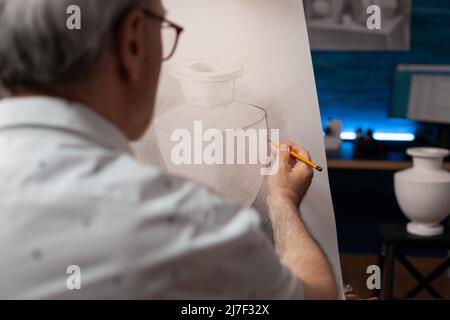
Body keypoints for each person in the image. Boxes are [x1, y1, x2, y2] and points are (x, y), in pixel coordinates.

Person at [0, 0, 337, 299]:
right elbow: (314, 296)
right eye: (163, 28)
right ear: (132, 40)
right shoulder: (184, 219)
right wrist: (283, 202)